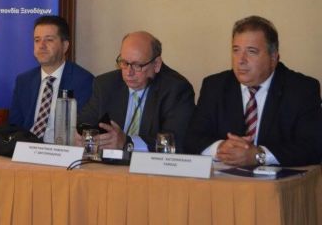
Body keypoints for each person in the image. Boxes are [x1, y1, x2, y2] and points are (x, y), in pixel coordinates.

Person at [185, 16, 322, 166]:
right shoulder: (215, 86)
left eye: (251, 51)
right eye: (236, 50)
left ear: (273, 57)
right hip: (225, 178)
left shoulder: (301, 89)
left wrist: (259, 155)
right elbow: (192, 139)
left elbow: (312, 147)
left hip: (278, 179)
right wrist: (221, 148)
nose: (241, 60)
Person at [77, 31, 195, 153]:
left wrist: (128, 142)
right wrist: (82, 137)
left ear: (156, 64)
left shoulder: (176, 89)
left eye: (137, 65)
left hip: (151, 163)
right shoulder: (105, 85)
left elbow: (175, 141)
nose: (129, 72)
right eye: (124, 63)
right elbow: (83, 123)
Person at [8, 15, 93, 142]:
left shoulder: (83, 81)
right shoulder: (24, 81)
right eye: (37, 40)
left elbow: (84, 130)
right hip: (26, 147)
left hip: (61, 150)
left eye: (49, 40)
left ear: (65, 46)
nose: (41, 46)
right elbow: (14, 126)